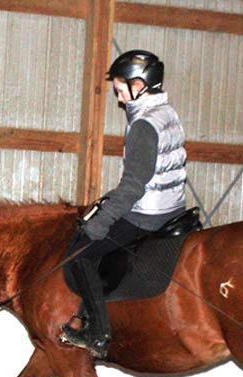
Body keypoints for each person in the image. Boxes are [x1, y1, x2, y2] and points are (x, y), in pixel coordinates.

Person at [59, 49, 188, 359]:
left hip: (149, 213)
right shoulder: (166, 113)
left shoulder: (143, 125)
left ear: (140, 85)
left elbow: (133, 186)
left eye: (120, 89)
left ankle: (98, 334)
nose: (119, 97)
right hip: (174, 205)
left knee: (80, 254)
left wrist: (99, 223)